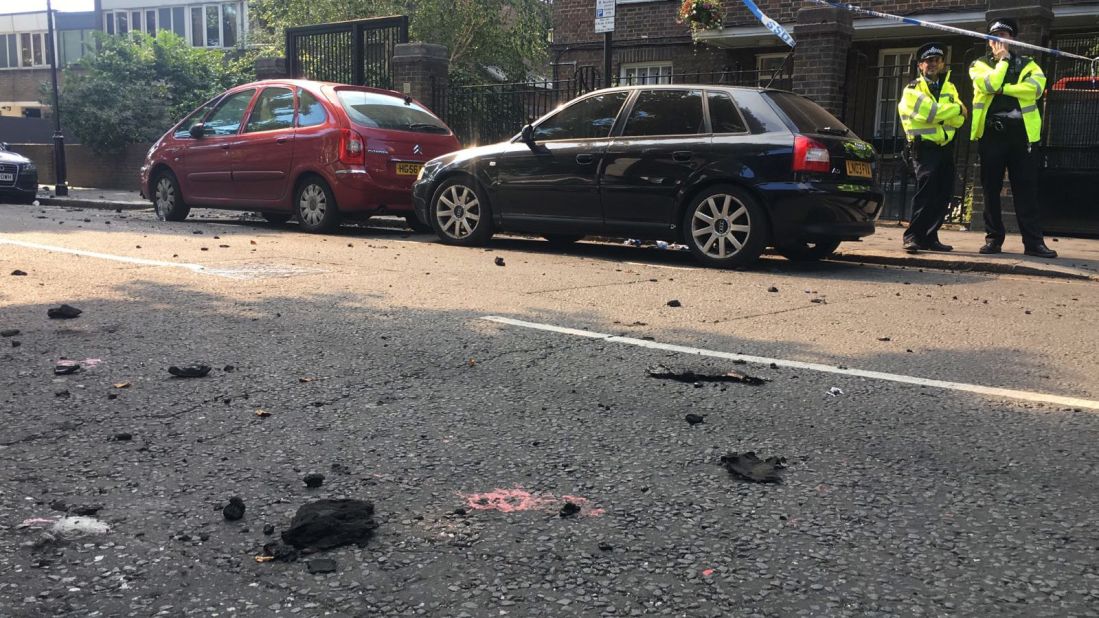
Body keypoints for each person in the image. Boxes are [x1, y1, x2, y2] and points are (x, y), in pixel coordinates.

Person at [969, 19, 1057, 258]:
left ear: (1013, 39)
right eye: (995, 35)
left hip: (1022, 135)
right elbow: (989, 83)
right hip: (992, 134)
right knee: (990, 189)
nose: (999, 39)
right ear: (989, 41)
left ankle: (1034, 243)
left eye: (1004, 34)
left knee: (1026, 189)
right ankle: (993, 239)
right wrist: (1003, 63)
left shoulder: (1029, 64)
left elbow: (1035, 89)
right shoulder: (978, 64)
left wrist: (1002, 89)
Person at [898, 42, 967, 253]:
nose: (933, 64)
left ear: (942, 63)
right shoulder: (912, 89)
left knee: (943, 192)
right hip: (924, 147)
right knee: (926, 192)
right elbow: (933, 113)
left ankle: (930, 236)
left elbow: (960, 121)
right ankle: (912, 236)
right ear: (920, 65)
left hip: (945, 147)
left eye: (936, 60)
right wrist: (955, 109)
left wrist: (948, 113)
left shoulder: (950, 87)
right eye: (928, 61)